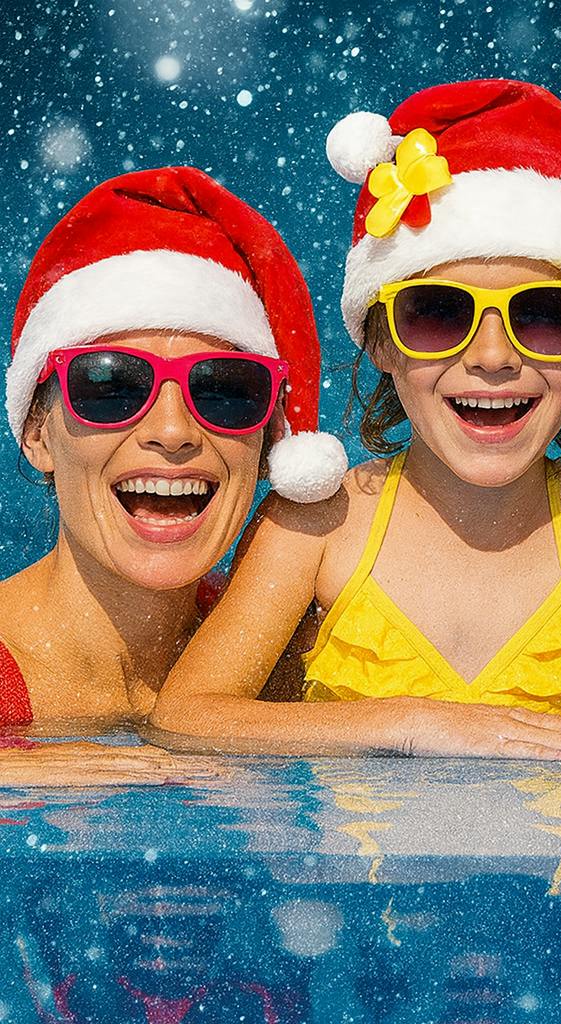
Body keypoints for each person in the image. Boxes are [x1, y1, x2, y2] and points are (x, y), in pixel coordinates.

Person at [150, 79, 561, 759]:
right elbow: (186, 718)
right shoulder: (322, 523)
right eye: (439, 314)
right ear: (379, 341)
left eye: (545, 316)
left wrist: (511, 740)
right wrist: (413, 724)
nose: (495, 357)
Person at [0, 166, 347, 783]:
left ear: (269, 440)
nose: (173, 430)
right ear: (36, 436)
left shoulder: (296, 659)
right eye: (110, 385)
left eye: (224, 390)